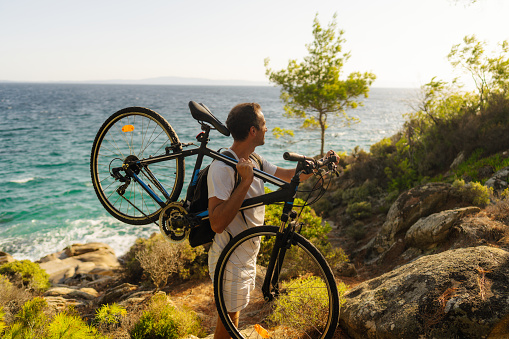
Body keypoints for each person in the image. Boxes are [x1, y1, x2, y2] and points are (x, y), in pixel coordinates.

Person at [207, 102, 337, 339]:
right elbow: (216, 222)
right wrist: (245, 182)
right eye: (263, 124)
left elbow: (288, 176)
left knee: (232, 318)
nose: (267, 128)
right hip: (229, 256)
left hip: (246, 253)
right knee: (228, 321)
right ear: (253, 131)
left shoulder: (255, 159)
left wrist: (319, 165)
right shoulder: (223, 166)